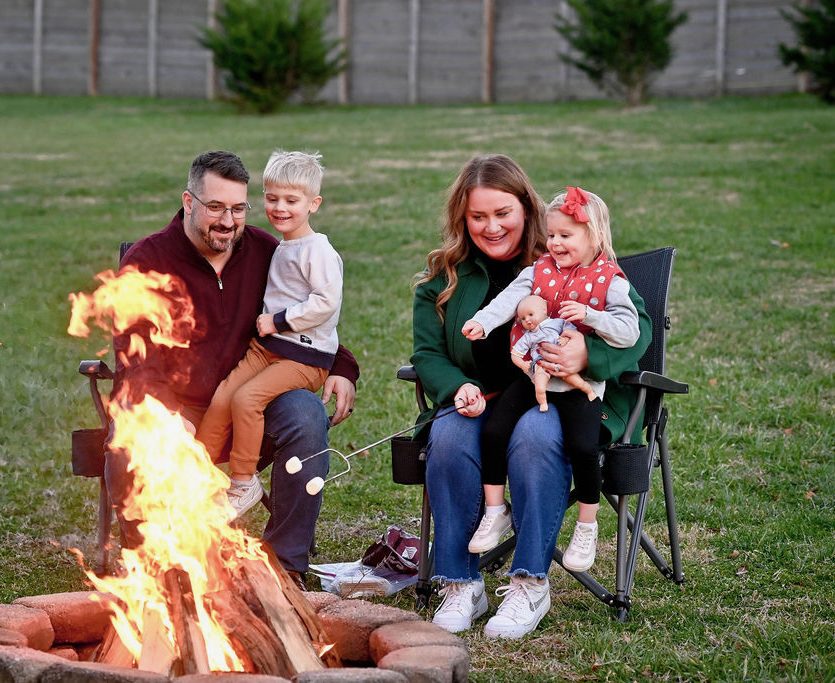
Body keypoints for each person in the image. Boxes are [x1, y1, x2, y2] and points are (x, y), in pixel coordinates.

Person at [412, 154, 650, 638]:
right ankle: (461, 583)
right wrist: (457, 386)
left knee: (537, 435)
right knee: (450, 438)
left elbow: (638, 329)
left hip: (555, 395)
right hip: (479, 398)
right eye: (478, 216)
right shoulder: (445, 278)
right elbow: (427, 354)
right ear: (462, 218)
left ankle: (529, 582)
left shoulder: (568, 259)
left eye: (503, 213)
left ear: (527, 209)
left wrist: (587, 355)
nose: (491, 226)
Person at [105, 150, 358, 588]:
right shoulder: (149, 261)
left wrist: (341, 365)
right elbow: (134, 354)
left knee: (304, 415)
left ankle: (286, 564)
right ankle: (152, 567)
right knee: (133, 433)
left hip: (250, 405)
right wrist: (166, 414)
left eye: (238, 209)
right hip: (179, 407)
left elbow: (303, 315)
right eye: (215, 207)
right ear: (188, 202)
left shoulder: (264, 251)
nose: (228, 221)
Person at [460, 187, 640, 572]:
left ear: (595, 235)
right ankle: (496, 509)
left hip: (578, 382)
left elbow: (630, 332)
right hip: (534, 375)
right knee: (494, 431)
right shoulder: (538, 271)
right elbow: (507, 301)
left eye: (565, 235)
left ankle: (587, 525)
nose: (555, 243)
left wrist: (592, 317)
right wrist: (483, 322)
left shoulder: (611, 281)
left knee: (583, 447)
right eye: (552, 235)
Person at [197, 151, 343, 519]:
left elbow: (326, 303)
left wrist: (278, 321)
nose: (280, 208)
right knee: (223, 397)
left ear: (314, 204)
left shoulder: (318, 251)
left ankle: (243, 481)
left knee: (246, 400)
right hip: (267, 348)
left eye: (291, 201)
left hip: (303, 358)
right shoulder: (282, 246)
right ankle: (197, 477)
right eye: (272, 198)